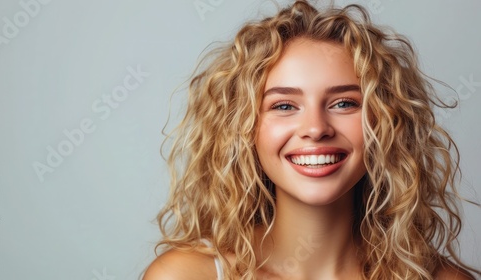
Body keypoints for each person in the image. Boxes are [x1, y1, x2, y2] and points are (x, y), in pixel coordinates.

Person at [143, 0, 480, 279]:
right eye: (284, 105)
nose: (316, 128)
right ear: (244, 127)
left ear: (386, 122)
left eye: (344, 103)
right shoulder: (185, 275)